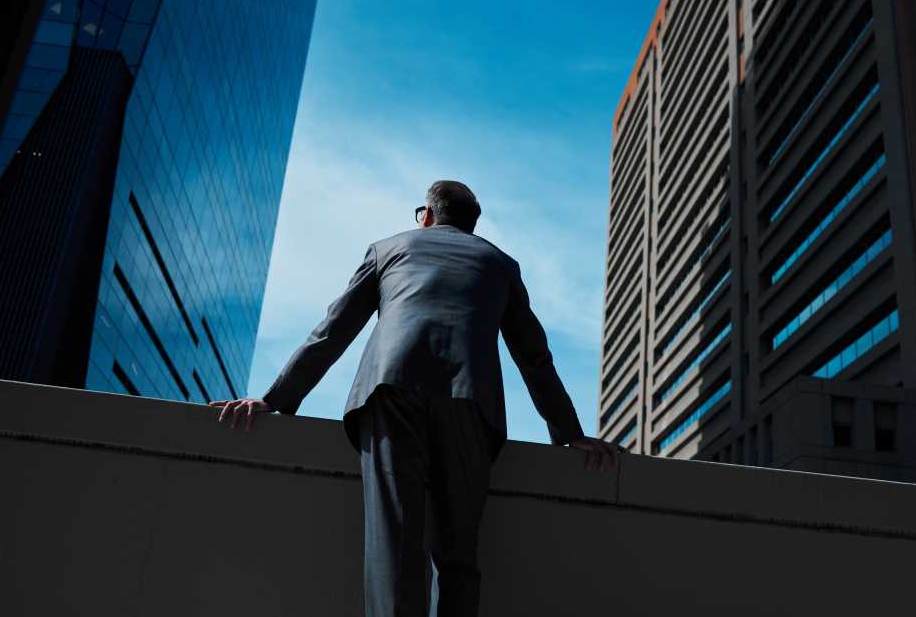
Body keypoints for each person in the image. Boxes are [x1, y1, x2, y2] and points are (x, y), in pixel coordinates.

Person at [211, 180, 623, 616]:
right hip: (471, 403)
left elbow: (332, 332)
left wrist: (276, 399)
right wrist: (569, 433)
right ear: (471, 224)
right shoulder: (501, 264)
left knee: (396, 547)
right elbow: (534, 357)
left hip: (392, 390)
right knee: (458, 555)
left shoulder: (388, 250)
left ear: (426, 215)